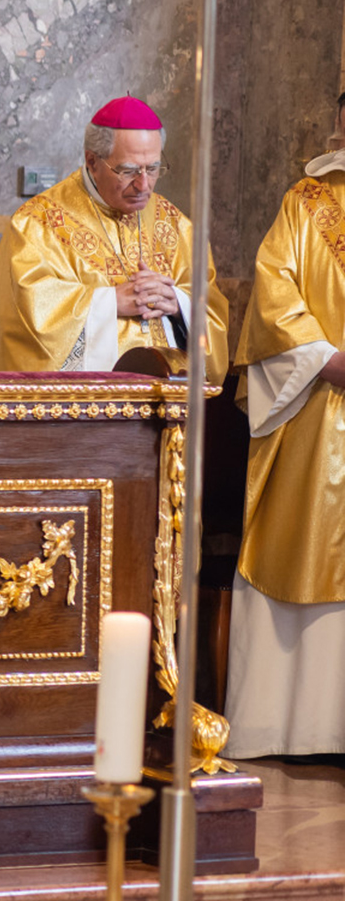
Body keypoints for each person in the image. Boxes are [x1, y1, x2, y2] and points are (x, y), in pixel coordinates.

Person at [223, 90, 345, 758]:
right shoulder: (307, 201)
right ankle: (294, 727)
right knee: (302, 545)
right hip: (319, 412)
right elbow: (273, 296)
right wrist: (326, 359)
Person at [0, 96, 228, 379]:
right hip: (84, 416)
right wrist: (109, 303)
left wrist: (179, 304)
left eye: (153, 168)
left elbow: (213, 313)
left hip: (168, 409)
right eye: (129, 171)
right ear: (92, 161)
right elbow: (24, 322)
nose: (144, 185)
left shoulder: (178, 227)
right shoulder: (36, 224)